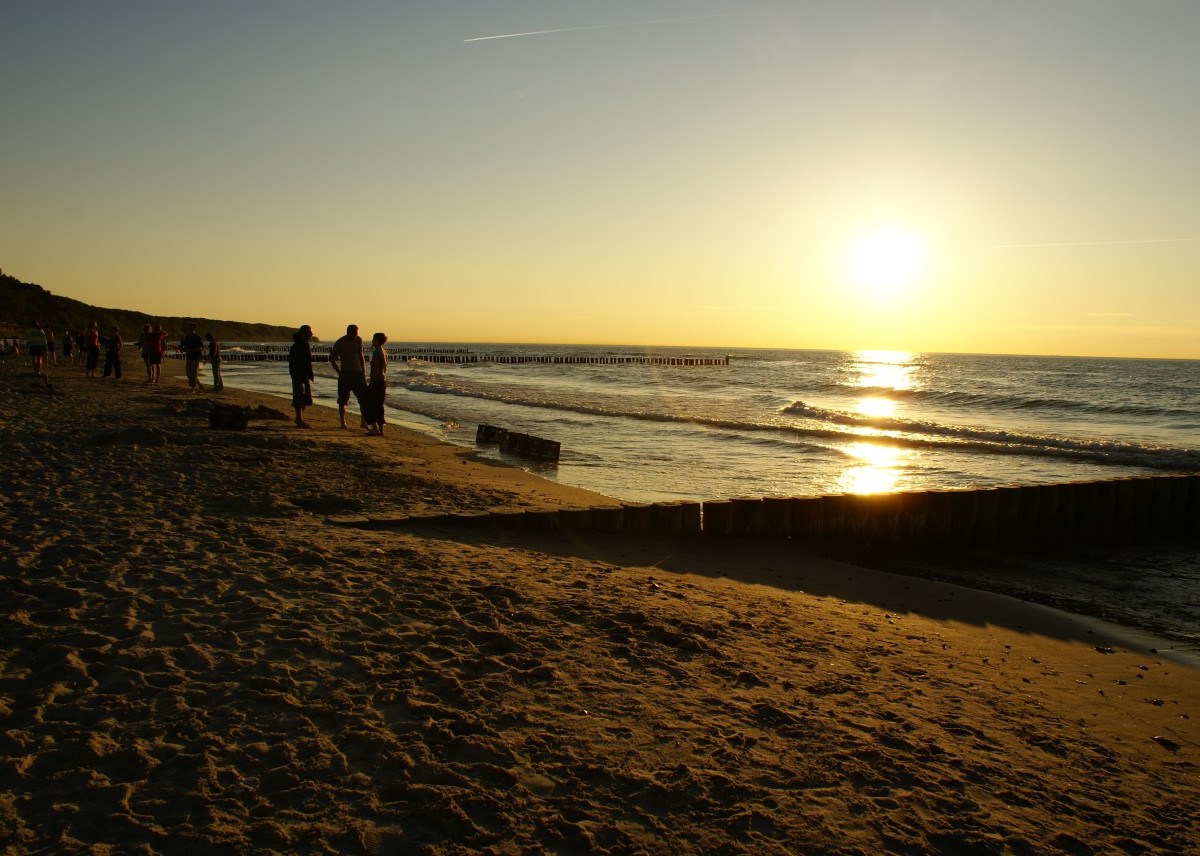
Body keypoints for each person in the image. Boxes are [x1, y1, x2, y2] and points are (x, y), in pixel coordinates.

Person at [328, 324, 368, 428]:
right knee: (343, 399)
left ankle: (363, 421)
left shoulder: (359, 340)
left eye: (356, 333)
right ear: (348, 332)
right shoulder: (340, 342)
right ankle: (343, 422)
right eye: (354, 334)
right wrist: (340, 373)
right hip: (346, 373)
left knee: (363, 398)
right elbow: (332, 359)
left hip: (358, 373)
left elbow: (360, 356)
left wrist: (364, 371)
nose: (355, 336)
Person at [288, 325, 315, 428]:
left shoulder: (304, 344)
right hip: (298, 374)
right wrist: (300, 375)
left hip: (303, 374)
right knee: (299, 397)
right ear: (304, 333)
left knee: (306, 398)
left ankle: (299, 418)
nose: (312, 334)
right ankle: (299, 419)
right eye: (310, 332)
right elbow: (297, 362)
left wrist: (310, 374)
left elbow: (307, 361)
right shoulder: (298, 345)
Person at [363, 331, 389, 436]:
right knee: (379, 405)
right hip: (383, 380)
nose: (372, 341)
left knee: (369, 404)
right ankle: (381, 429)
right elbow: (385, 368)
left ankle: (375, 428)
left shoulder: (377, 352)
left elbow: (375, 369)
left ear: (377, 340)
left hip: (377, 381)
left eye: (373, 339)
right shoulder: (384, 352)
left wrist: (371, 383)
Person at [180, 323, 205, 393]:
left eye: (191, 328)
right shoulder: (187, 337)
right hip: (189, 357)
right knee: (188, 373)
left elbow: (201, 347)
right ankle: (200, 385)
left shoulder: (197, 337)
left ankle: (193, 388)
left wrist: (191, 350)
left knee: (194, 373)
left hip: (196, 357)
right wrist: (182, 347)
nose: (190, 329)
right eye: (189, 328)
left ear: (194, 329)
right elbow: (183, 347)